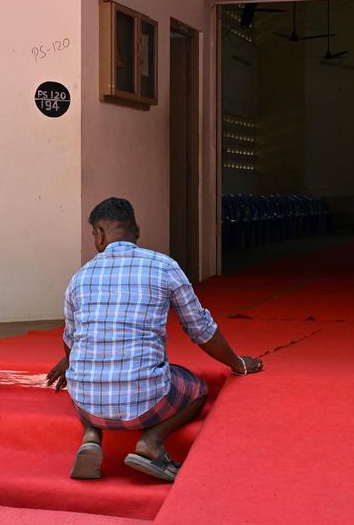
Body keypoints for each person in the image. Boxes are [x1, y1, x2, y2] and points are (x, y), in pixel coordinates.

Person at [47, 198, 262, 482]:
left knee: (84, 379)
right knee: (196, 388)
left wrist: (70, 360)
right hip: (147, 404)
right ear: (136, 230)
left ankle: (91, 436)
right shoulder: (163, 266)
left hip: (87, 403)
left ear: (99, 235)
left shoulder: (79, 277)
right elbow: (200, 328)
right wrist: (237, 363)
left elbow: (72, 339)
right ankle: (151, 441)